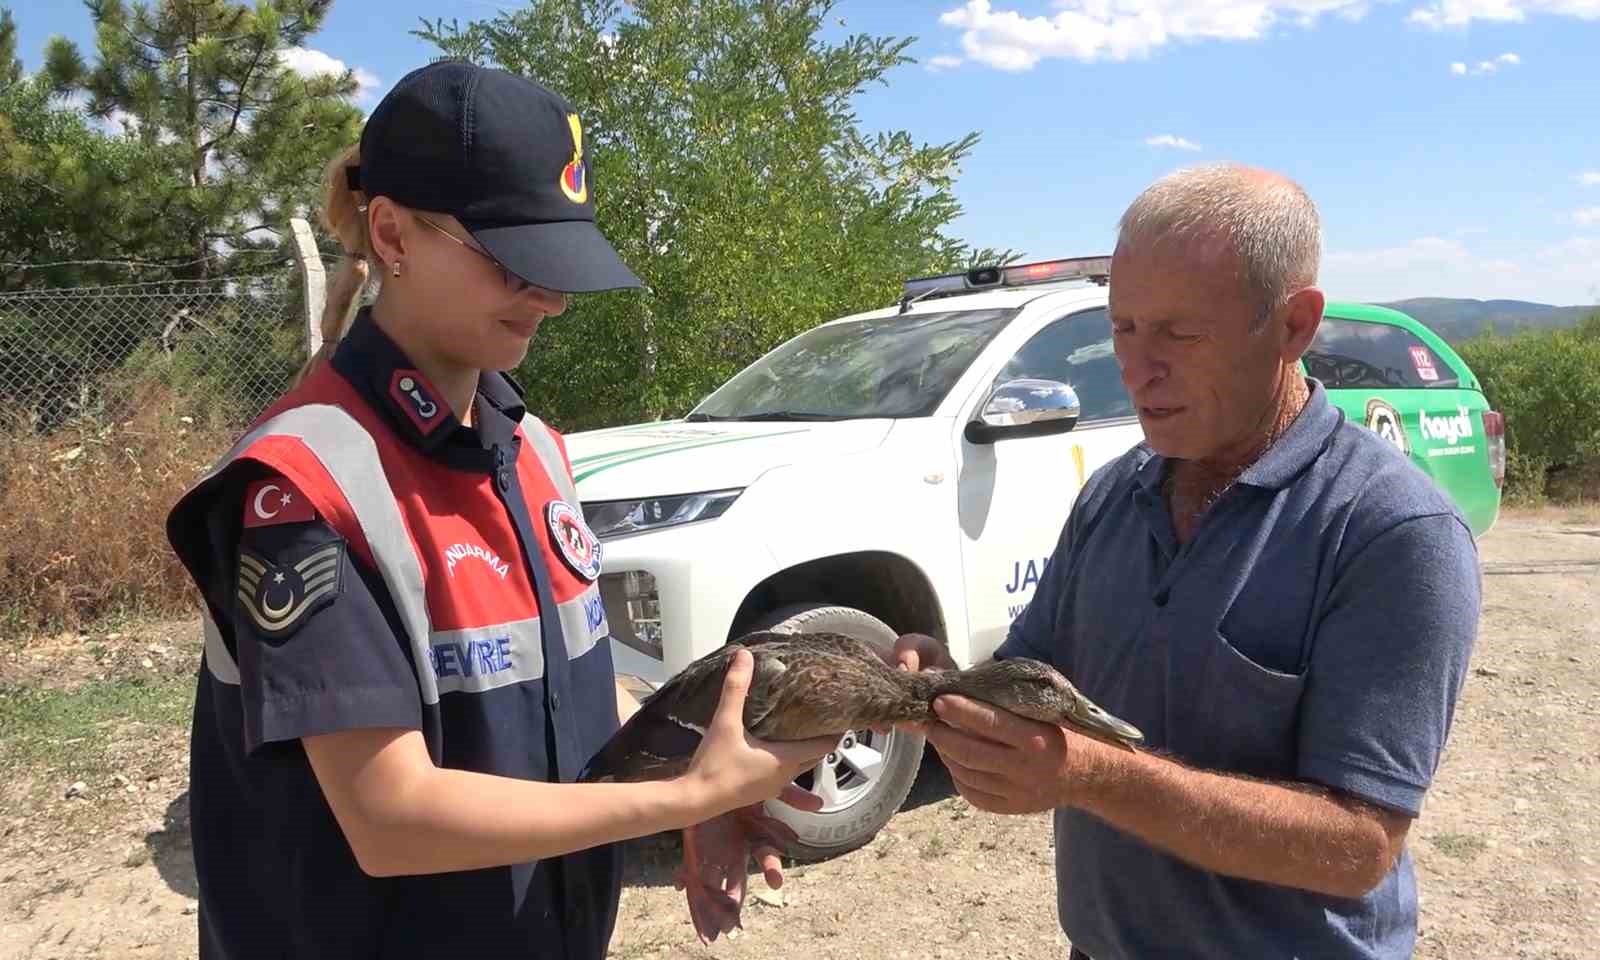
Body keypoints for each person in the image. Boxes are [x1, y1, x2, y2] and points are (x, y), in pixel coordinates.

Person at [164, 59, 834, 960]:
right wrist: (688, 797)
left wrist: (690, 787)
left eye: (558, 263)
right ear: (394, 237)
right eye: (516, 264)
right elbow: (390, 816)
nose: (551, 299)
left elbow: (565, 696)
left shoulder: (535, 450)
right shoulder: (300, 486)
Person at [895, 163, 1481, 959]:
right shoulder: (1113, 494)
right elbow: (1029, 678)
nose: (1138, 368)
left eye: (1180, 332)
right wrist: (938, 687)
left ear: (1293, 326)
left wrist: (1084, 775)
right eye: (1123, 329)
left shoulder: (1390, 530)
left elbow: (1357, 847)